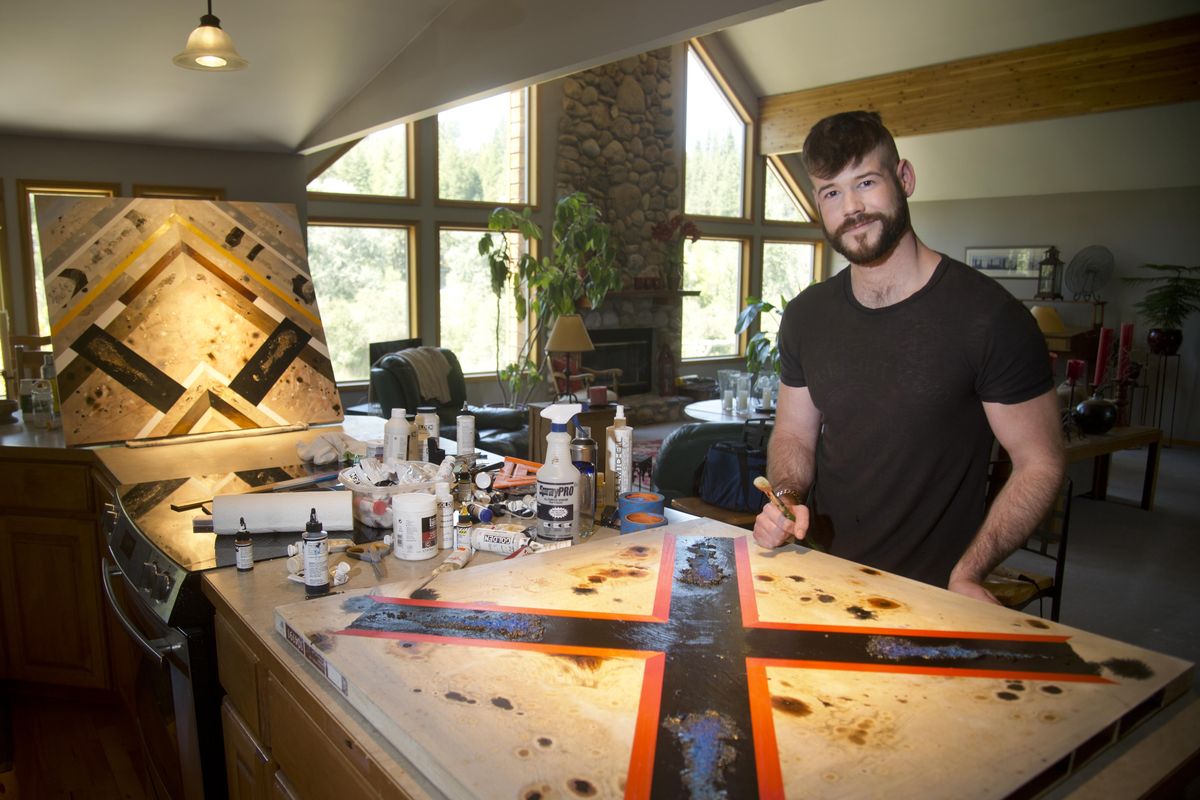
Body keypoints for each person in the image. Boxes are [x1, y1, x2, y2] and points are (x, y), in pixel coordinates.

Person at [753, 111, 1065, 602]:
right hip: (820, 577)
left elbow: (1040, 463)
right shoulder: (806, 315)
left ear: (905, 178)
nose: (851, 208)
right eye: (831, 192)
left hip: (933, 592)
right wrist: (786, 499)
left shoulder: (990, 317)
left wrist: (971, 572)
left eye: (866, 182)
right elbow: (794, 433)